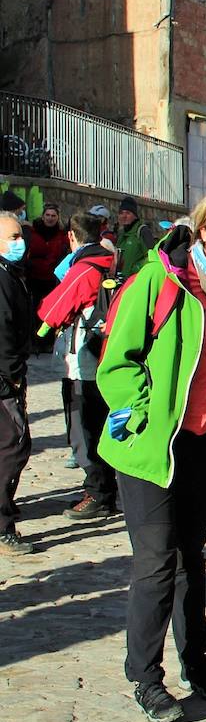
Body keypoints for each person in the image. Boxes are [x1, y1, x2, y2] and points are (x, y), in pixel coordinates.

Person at [95, 186, 206, 722]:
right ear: (204, 229)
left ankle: (197, 663)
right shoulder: (161, 281)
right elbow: (116, 362)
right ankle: (145, 676)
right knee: (156, 562)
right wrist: (142, 411)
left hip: (199, 443)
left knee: (193, 559)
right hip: (149, 445)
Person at [36, 212, 120, 520]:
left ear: (72, 236)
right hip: (103, 354)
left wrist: (40, 330)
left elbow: (53, 309)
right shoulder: (109, 261)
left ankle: (98, 492)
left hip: (82, 359)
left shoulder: (83, 268)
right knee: (98, 422)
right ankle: (104, 488)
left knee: (84, 427)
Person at [0, 210, 34, 555]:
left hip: (11, 372)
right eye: (12, 238)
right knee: (13, 444)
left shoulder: (11, 273)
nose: (19, 243)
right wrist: (11, 377)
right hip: (3, 377)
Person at [115, 196, 160, 279]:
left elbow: (152, 257)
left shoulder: (142, 231)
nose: (124, 216)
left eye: (128, 213)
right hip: (120, 282)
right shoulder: (121, 234)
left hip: (135, 282)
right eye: (121, 213)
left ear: (135, 215)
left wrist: (136, 269)